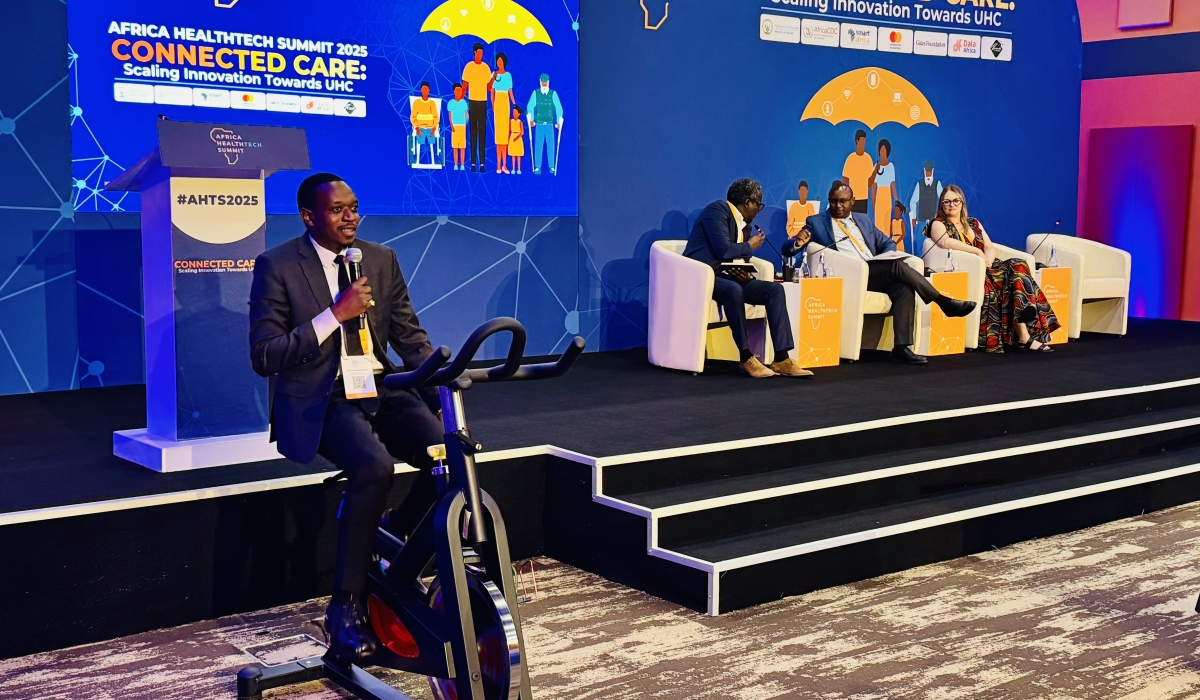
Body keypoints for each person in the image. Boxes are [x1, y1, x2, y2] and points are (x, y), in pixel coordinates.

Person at [248, 173, 444, 668]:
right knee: (373, 468)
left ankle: (393, 534)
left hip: (380, 387)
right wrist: (334, 314)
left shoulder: (381, 259)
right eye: (338, 210)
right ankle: (345, 606)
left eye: (354, 207)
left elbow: (409, 337)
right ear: (309, 216)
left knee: (449, 453)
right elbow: (265, 355)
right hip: (324, 396)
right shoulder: (277, 265)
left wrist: (440, 391)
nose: (350, 217)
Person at [795, 181, 976, 364]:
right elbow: (789, 249)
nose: (838, 206)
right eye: (833, 202)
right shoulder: (816, 222)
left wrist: (882, 257)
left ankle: (901, 348)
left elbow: (887, 243)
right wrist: (797, 243)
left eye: (843, 201)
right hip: (850, 274)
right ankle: (943, 301)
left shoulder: (863, 220)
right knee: (896, 266)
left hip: (873, 270)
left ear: (852, 201)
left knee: (903, 286)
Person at [683, 178, 811, 379]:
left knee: (774, 290)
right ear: (746, 202)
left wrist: (745, 272)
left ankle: (782, 358)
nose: (759, 209)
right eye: (758, 204)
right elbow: (723, 249)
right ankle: (746, 357)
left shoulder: (746, 226)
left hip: (728, 276)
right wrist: (749, 245)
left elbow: (739, 257)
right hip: (703, 275)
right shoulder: (717, 211)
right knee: (734, 290)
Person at [926, 185, 1060, 352]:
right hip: (969, 269)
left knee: (1018, 265)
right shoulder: (938, 224)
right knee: (1010, 279)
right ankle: (1024, 332)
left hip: (988, 265)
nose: (951, 204)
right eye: (947, 201)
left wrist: (987, 261)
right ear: (941, 205)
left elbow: (989, 247)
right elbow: (945, 242)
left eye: (955, 201)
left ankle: (1025, 313)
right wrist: (976, 252)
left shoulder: (973, 223)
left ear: (962, 203)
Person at [461, 43, 491, 173]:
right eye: (478, 52)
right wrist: (460, 101)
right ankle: (473, 163)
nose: (480, 55)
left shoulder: (486, 68)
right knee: (473, 133)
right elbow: (464, 86)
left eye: (482, 52)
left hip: (483, 102)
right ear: (474, 53)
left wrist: (493, 78)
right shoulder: (469, 67)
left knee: (482, 133)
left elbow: (488, 88)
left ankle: (482, 164)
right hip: (472, 102)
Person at [526, 73, 563, 175]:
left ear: (548, 83)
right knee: (538, 145)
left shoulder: (553, 94)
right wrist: (531, 119)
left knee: (551, 146)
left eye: (545, 83)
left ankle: (552, 166)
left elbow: (558, 108)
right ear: (540, 82)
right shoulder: (536, 93)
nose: (544, 85)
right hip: (539, 124)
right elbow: (530, 106)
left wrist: (558, 122)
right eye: (542, 83)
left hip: (550, 125)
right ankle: (538, 167)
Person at [908, 160, 943, 247]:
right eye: (926, 171)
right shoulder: (919, 184)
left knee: (934, 245)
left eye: (930, 172)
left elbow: (943, 200)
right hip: (922, 221)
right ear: (924, 171)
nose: (928, 174)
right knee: (920, 244)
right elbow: (913, 201)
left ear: (933, 171)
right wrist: (913, 218)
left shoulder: (937, 184)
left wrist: (940, 216)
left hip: (933, 221)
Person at [491, 53, 514, 174]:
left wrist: (514, 104)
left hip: (505, 103)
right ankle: (498, 165)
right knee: (498, 136)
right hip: (498, 104)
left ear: (504, 62)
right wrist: (493, 105)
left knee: (505, 135)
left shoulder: (508, 76)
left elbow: (510, 91)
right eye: (497, 61)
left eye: (501, 61)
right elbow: (491, 91)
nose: (499, 63)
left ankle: (504, 165)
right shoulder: (494, 75)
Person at [869, 139, 897, 234]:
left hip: (887, 195)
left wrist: (896, 200)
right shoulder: (876, 166)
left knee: (886, 222)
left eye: (884, 151)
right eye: (881, 151)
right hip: (879, 195)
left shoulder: (891, 166)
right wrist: (873, 203)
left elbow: (893, 185)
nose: (883, 153)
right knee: (878, 223)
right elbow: (873, 187)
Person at [842, 130, 873, 214]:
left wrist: (876, 171)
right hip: (852, 198)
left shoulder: (868, 159)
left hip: (864, 198)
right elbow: (845, 181)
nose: (863, 144)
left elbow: (869, 183)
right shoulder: (850, 158)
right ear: (857, 141)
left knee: (861, 223)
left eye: (864, 141)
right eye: (862, 141)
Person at [409, 82, 439, 166]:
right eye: (423, 88)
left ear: (429, 90)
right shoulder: (417, 102)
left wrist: (434, 128)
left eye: (426, 89)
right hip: (420, 128)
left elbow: (436, 117)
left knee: (431, 143)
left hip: (431, 128)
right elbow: (413, 117)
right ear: (420, 90)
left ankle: (433, 161)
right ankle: (417, 160)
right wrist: (417, 128)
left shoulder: (432, 103)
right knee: (420, 143)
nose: (425, 90)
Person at [446, 82, 469, 171]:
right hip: (454, 127)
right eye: (457, 91)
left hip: (462, 126)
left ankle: (462, 164)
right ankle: (455, 164)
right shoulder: (451, 103)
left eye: (460, 91)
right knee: (455, 146)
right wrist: (452, 126)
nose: (458, 92)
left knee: (462, 146)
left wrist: (465, 124)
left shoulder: (464, 103)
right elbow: (450, 116)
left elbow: (466, 115)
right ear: (454, 92)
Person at [509, 105, 525, 174]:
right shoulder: (511, 121)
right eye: (513, 113)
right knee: (513, 154)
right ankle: (513, 168)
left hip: (518, 139)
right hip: (512, 137)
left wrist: (517, 137)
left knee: (518, 154)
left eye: (516, 113)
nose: (514, 115)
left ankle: (518, 169)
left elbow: (522, 132)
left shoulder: (520, 122)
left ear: (518, 114)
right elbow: (509, 129)